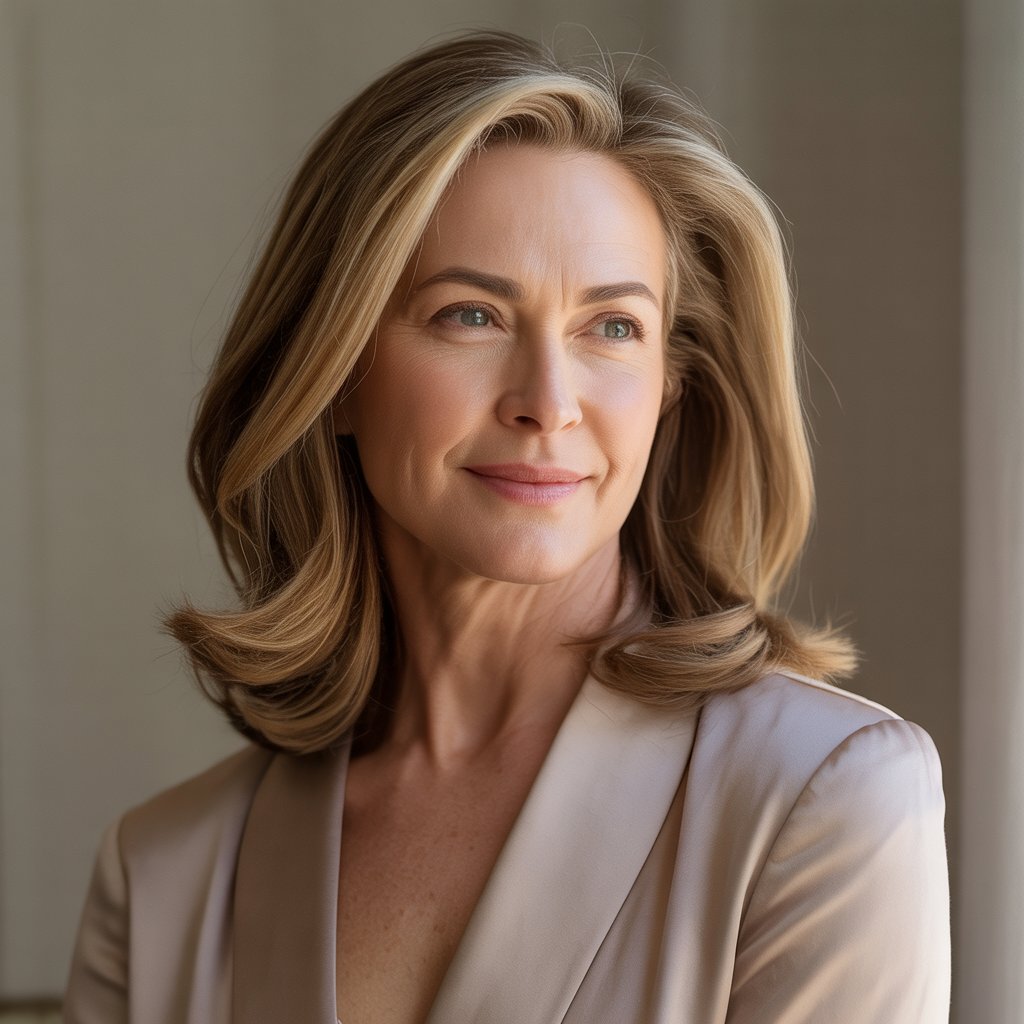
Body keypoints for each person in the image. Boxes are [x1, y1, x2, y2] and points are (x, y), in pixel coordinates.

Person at [63, 29, 951, 1024]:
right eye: (468, 316)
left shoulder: (824, 799)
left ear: (670, 385)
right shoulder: (164, 875)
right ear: (335, 371)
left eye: (611, 327)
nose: (547, 401)